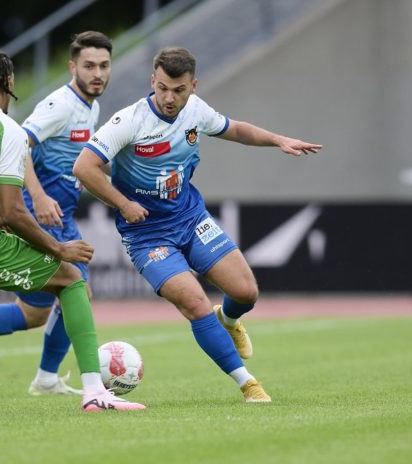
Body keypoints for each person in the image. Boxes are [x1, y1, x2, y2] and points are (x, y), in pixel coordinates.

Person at [73, 47, 323, 403]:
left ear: (193, 86)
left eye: (178, 90)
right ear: (153, 81)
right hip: (147, 235)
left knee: (246, 293)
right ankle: (248, 383)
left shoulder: (196, 110)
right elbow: (84, 167)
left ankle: (229, 320)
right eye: (162, 88)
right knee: (194, 302)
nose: (169, 98)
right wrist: (123, 204)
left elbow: (236, 129)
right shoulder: (129, 121)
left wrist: (278, 140)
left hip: (191, 219)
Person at [0, 47, 144, 414]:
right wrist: (59, 249)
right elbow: (13, 211)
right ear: (8, 82)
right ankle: (95, 392)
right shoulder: (8, 129)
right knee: (71, 279)